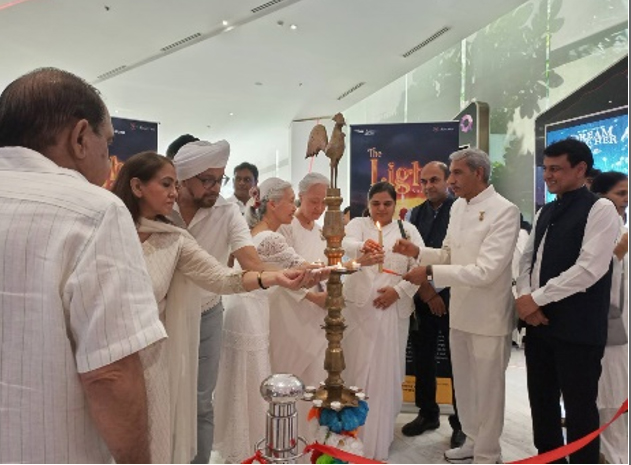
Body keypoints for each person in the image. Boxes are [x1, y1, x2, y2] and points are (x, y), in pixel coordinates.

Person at [0, 68, 166, 463]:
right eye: (106, 143)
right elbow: (109, 373)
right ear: (79, 138)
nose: (109, 159)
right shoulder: (94, 212)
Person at [111, 151, 308, 462]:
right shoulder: (107, 229)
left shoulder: (174, 239)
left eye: (175, 185)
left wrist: (275, 277)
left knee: (163, 422)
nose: (174, 193)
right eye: (167, 184)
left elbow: (221, 277)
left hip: (153, 352)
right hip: (108, 352)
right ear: (137, 187)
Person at [394, 148, 519, 464]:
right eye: (450, 173)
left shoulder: (505, 210)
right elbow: (448, 254)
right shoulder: (460, 207)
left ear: (479, 173)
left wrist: (430, 272)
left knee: (488, 390)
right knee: (464, 387)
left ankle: (488, 452)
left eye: (457, 173)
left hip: (489, 317)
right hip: (460, 313)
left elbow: (486, 271)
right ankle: (472, 441)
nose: (451, 180)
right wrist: (418, 252)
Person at [170, 139, 274, 464]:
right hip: (162, 314)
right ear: (183, 178)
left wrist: (290, 274)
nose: (216, 187)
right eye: (207, 180)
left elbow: (250, 261)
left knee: (202, 401)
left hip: (207, 312)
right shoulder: (162, 205)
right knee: (164, 395)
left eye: (220, 179)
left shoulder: (227, 211)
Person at [516, 139, 620, 464]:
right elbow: (527, 261)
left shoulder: (600, 209)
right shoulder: (546, 210)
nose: (548, 175)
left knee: (579, 410)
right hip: (539, 325)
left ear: (580, 169)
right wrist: (525, 298)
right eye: (546, 169)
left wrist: (535, 299)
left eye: (556, 169)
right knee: (542, 405)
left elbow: (589, 269)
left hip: (578, 329)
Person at [214, 177, 328, 463]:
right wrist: (347, 266)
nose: (294, 206)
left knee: (246, 380)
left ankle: (243, 447)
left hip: (246, 307)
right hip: (249, 313)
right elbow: (305, 271)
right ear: (272, 204)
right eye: (291, 200)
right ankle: (250, 448)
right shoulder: (271, 238)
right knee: (252, 379)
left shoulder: (257, 233)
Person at [341, 181, 423, 461]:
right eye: (376, 203)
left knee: (388, 371)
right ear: (368, 203)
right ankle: (352, 435)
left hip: (392, 309)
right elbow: (345, 243)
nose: (381, 209)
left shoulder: (407, 230)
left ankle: (381, 436)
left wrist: (397, 292)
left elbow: (419, 269)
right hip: (360, 309)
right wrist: (361, 246)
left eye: (387, 204)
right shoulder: (358, 225)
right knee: (357, 367)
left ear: (395, 204)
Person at [402, 161, 464, 449]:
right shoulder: (415, 214)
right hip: (423, 296)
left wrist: (441, 290)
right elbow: (411, 257)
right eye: (424, 181)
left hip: (455, 296)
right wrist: (428, 293)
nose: (428, 186)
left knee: (456, 361)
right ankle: (427, 413)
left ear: (447, 180)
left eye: (434, 180)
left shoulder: (460, 210)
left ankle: (461, 423)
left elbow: (459, 257)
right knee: (422, 358)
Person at [587, 171, 628, 464]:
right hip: (606, 323)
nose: (626, 200)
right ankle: (611, 455)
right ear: (602, 197)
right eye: (620, 193)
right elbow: (590, 273)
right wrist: (617, 253)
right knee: (609, 392)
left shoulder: (623, 228)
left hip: (624, 323)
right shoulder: (597, 229)